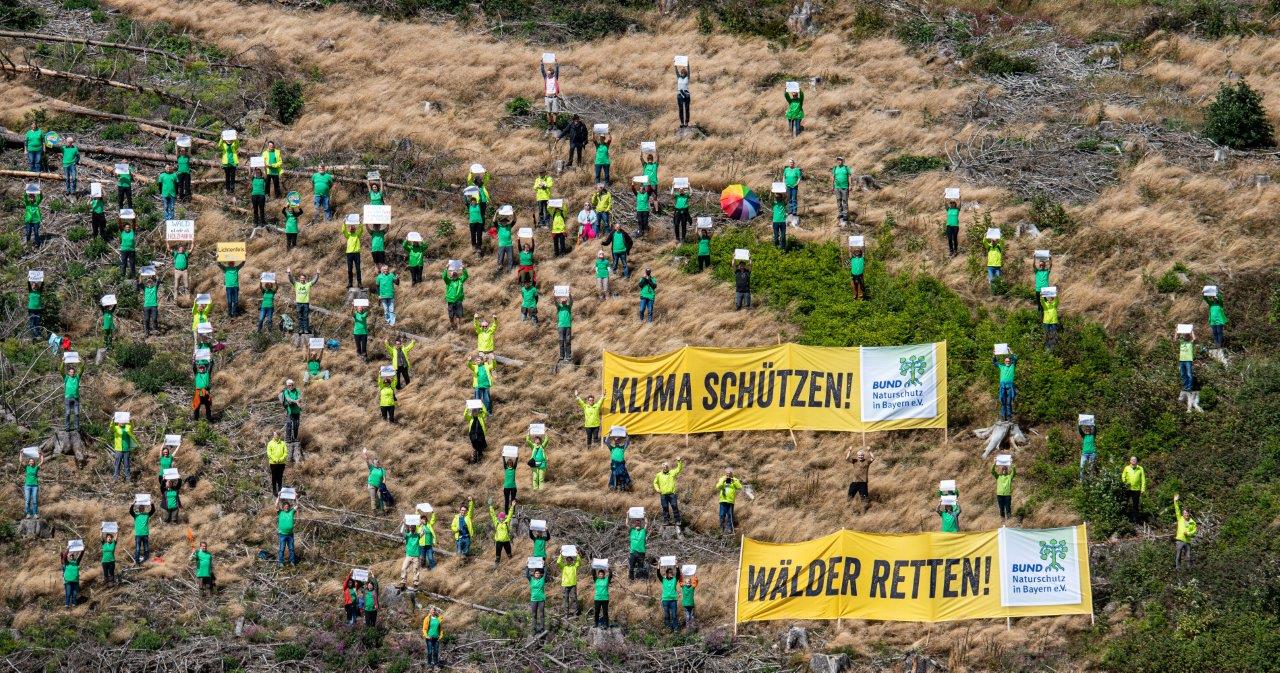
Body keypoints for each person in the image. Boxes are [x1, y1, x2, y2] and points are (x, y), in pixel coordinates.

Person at [287, 269, 319, 334]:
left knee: (306, 317)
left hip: (306, 303)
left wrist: (317, 274)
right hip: (298, 303)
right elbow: (291, 280)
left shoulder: (308, 284)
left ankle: (306, 329)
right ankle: (301, 329)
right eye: (301, 278)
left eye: (303, 278)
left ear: (305, 279)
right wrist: (289, 273)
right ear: (299, 279)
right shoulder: (296, 284)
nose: (302, 279)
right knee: (300, 316)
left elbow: (314, 281)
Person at [653, 458, 684, 525]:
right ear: (662, 467)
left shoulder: (672, 472)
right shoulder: (659, 475)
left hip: (672, 494)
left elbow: (679, 469)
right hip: (663, 494)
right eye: (664, 467)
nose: (665, 468)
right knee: (665, 507)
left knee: (674, 506)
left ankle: (677, 521)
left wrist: (679, 461)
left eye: (666, 466)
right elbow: (655, 483)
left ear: (668, 467)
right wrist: (657, 489)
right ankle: (666, 521)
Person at [844, 449, 874, 514]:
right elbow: (847, 458)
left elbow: (873, 458)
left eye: (862, 455)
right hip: (855, 482)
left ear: (863, 455)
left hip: (863, 483)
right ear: (857, 456)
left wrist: (869, 450)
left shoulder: (867, 461)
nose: (860, 456)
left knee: (864, 499)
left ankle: (863, 513)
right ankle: (849, 512)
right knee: (850, 497)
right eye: (859, 455)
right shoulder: (855, 461)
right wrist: (849, 450)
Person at [716, 469, 744, 533]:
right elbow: (718, 486)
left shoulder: (735, 479)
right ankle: (721, 528)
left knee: (730, 515)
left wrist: (733, 480)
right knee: (721, 514)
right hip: (723, 500)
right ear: (725, 473)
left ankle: (729, 529)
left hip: (730, 501)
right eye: (727, 473)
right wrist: (723, 480)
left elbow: (740, 487)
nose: (728, 474)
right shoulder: (722, 478)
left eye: (729, 473)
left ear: (732, 473)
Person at [1173, 494, 1196, 570]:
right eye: (1185, 513)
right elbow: (1177, 510)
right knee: (1178, 555)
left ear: (1189, 514)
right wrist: (1175, 501)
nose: (1186, 514)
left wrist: (1188, 533)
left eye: (1187, 513)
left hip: (1187, 541)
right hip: (1179, 540)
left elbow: (1194, 531)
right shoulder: (1180, 519)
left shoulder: (1193, 522)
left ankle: (1188, 569)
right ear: (1183, 514)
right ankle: (1178, 569)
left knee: (1188, 556)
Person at [1121, 456, 1146, 525]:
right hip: (1128, 489)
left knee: (1135, 505)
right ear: (1130, 461)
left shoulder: (1140, 468)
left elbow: (1143, 479)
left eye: (1135, 460)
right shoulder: (1127, 468)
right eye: (1132, 460)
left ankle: (1135, 520)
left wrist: (1143, 488)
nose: (1133, 461)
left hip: (1136, 489)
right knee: (1125, 503)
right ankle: (1124, 519)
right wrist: (1124, 483)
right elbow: (1123, 476)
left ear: (1137, 461)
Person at [443, 265, 469, 330]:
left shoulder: (460, 280)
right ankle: (452, 326)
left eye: (455, 271)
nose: (454, 272)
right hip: (450, 300)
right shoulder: (448, 280)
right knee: (451, 316)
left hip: (458, 300)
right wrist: (446, 268)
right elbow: (444, 276)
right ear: (450, 274)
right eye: (452, 271)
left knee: (459, 315)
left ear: (457, 274)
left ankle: (459, 327)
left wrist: (464, 268)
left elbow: (466, 276)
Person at [400, 516, 422, 589]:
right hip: (408, 555)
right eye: (411, 528)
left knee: (415, 570)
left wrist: (421, 524)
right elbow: (401, 532)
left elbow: (424, 531)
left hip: (416, 556)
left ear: (415, 528)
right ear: (409, 528)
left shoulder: (418, 535)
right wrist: (403, 523)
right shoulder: (408, 535)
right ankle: (403, 582)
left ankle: (415, 584)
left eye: (413, 528)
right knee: (404, 568)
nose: (412, 529)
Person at [342, 217, 365, 288]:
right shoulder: (348, 235)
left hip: (356, 253)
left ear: (355, 229)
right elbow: (343, 230)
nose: (352, 229)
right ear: (349, 229)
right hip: (349, 253)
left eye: (353, 228)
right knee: (349, 269)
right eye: (351, 228)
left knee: (358, 268)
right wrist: (344, 223)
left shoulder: (357, 234)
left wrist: (360, 223)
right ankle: (350, 283)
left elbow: (361, 230)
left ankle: (359, 283)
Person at [994, 352, 1017, 421]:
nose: (1007, 362)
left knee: (1009, 402)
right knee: (1003, 402)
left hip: (1010, 387)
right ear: (1004, 361)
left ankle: (1009, 417)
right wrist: (994, 354)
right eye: (1006, 361)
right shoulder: (1002, 366)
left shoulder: (1012, 366)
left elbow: (1015, 358)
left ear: (1010, 361)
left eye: (1009, 361)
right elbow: (994, 362)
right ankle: (1003, 416)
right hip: (1003, 387)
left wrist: (1011, 352)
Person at [557, 551, 581, 616]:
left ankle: (575, 613)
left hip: (573, 584)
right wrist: (561, 554)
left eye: (570, 560)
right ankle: (566, 614)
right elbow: (558, 562)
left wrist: (577, 554)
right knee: (565, 600)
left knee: (574, 599)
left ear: (572, 561)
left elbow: (579, 562)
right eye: (567, 560)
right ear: (566, 560)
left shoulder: (575, 566)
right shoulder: (563, 566)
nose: (568, 561)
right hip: (565, 585)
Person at [279, 378, 302, 443]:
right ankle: (288, 438)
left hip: (297, 411)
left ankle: (295, 437)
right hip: (290, 411)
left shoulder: (297, 390)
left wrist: (298, 400)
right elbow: (288, 399)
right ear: (287, 386)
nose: (291, 386)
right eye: (289, 385)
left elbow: (300, 397)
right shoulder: (286, 391)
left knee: (296, 425)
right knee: (289, 423)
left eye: (292, 385)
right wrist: (296, 401)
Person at [62, 362, 82, 432]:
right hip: (68, 398)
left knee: (76, 413)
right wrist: (62, 362)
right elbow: (61, 370)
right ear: (68, 372)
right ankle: (67, 428)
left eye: (73, 372)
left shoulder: (77, 377)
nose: (72, 373)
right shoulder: (66, 378)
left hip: (76, 398)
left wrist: (81, 362)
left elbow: (81, 370)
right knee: (67, 413)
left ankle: (76, 428)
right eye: (71, 372)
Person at [526, 565, 547, 633]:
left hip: (541, 600)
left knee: (542, 614)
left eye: (538, 573)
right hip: (534, 600)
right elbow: (527, 574)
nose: (537, 574)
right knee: (534, 614)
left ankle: (542, 628)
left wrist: (544, 565)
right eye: (536, 573)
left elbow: (546, 572)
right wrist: (527, 566)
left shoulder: (542, 580)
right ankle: (534, 628)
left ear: (540, 574)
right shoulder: (531, 580)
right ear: (534, 574)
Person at [22, 451, 43, 518]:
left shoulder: (36, 467)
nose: (31, 462)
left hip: (35, 486)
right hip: (27, 485)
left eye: (32, 461)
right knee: (27, 500)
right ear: (29, 462)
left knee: (35, 500)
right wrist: (21, 453)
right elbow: (20, 461)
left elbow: (42, 461)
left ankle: (35, 514)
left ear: (34, 462)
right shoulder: (27, 467)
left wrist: (41, 455)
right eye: (30, 461)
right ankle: (28, 513)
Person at [540, 59, 561, 128]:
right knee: (548, 112)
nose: (547, 74)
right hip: (547, 97)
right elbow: (542, 71)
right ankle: (549, 124)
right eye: (547, 73)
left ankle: (554, 124)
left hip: (554, 97)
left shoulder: (555, 78)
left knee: (555, 112)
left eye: (549, 73)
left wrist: (556, 64)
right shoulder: (546, 78)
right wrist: (542, 64)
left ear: (552, 73)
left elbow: (557, 71)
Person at [831, 157, 851, 222]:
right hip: (837, 187)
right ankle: (840, 213)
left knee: (845, 201)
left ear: (843, 161)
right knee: (838, 200)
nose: (839, 161)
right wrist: (832, 186)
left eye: (840, 160)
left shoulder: (846, 168)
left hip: (845, 187)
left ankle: (845, 214)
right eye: (838, 160)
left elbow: (849, 176)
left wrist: (850, 185)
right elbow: (833, 177)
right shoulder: (835, 168)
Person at [642, 148, 661, 215]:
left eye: (650, 159)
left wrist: (657, 151)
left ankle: (649, 210)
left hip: (650, 183)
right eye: (649, 159)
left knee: (648, 197)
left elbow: (641, 158)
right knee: (654, 198)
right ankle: (655, 211)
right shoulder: (648, 165)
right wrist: (641, 150)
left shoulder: (647, 165)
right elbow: (641, 158)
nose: (649, 160)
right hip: (651, 183)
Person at [660, 566, 679, 632]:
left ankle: (676, 628)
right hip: (665, 600)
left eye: (671, 572)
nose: (670, 573)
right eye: (669, 572)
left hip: (673, 600)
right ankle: (669, 628)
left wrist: (677, 567)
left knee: (674, 615)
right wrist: (658, 567)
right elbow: (658, 575)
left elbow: (678, 574)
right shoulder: (663, 580)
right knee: (666, 615)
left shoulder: (674, 579)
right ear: (666, 573)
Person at [555, 293, 573, 361]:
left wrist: (569, 294)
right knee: (561, 341)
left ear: (566, 300)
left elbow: (571, 301)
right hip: (561, 326)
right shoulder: (559, 307)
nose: (563, 300)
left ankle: (568, 356)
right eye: (562, 299)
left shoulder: (568, 306)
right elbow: (555, 301)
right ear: (560, 300)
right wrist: (554, 295)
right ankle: (562, 356)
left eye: (564, 298)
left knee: (568, 341)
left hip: (568, 326)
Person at [675, 62, 691, 127]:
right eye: (682, 73)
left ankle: (686, 122)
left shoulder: (687, 78)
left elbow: (689, 71)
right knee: (681, 109)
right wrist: (675, 65)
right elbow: (676, 72)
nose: (683, 74)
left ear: (686, 73)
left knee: (687, 109)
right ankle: (682, 122)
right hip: (679, 94)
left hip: (686, 94)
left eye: (684, 73)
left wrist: (688, 64)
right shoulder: (679, 78)